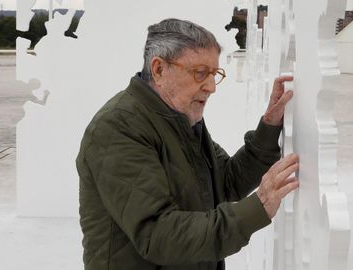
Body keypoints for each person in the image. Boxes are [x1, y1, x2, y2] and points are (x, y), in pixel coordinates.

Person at [76, 18, 299, 270]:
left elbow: (225, 182)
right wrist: (258, 208)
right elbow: (158, 235)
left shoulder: (181, 118)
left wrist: (268, 128)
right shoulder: (117, 129)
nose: (212, 87)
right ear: (159, 70)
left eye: (215, 74)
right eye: (200, 73)